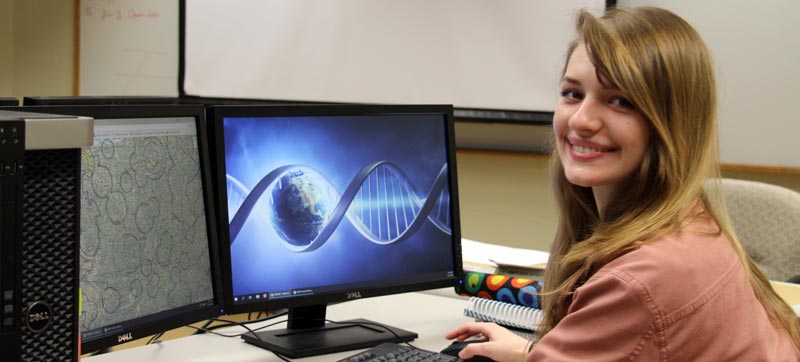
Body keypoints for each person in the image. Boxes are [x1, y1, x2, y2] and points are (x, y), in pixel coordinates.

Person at [446, 6, 800, 361]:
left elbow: (644, 311)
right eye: (573, 93)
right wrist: (533, 353)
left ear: (671, 123)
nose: (582, 120)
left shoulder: (644, 280)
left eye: (620, 101)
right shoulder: (692, 221)